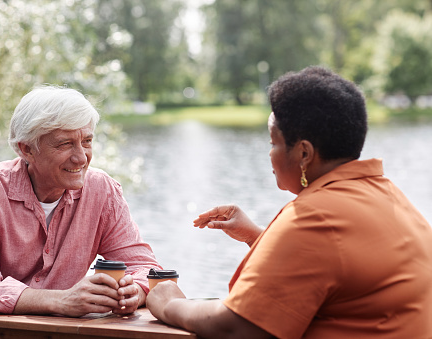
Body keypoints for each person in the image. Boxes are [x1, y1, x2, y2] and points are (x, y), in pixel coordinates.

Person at [146, 66, 432, 338]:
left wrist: (169, 303)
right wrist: (258, 237)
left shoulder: (316, 216)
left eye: (273, 142)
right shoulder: (387, 194)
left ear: (304, 153)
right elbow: (338, 263)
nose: (269, 154)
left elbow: (236, 327)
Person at [0, 86, 162, 338]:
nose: (81, 158)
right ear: (26, 149)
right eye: (65, 144)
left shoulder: (102, 190)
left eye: (86, 141)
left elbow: (147, 269)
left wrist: (134, 292)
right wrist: (62, 301)